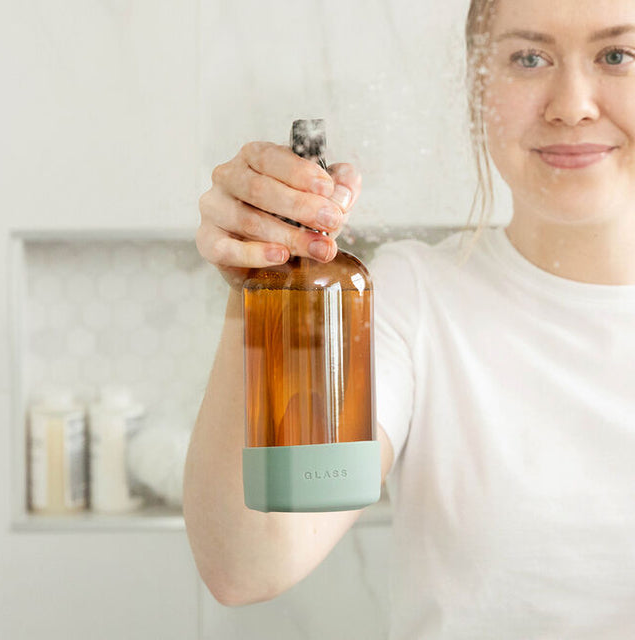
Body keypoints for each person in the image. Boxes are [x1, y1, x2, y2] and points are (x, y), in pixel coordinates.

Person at [183, 0, 635, 636]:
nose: (572, 104)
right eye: (528, 58)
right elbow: (248, 561)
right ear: (479, 90)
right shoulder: (409, 301)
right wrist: (260, 282)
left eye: (617, 55)